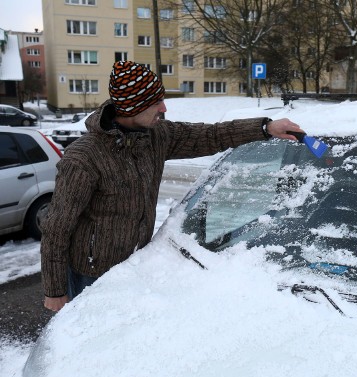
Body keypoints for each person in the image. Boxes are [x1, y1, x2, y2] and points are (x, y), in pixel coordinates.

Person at [41, 61, 304, 312]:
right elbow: (57, 227)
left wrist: (265, 127)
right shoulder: (84, 158)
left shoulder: (156, 136)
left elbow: (211, 135)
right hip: (92, 275)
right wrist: (55, 290)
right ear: (132, 107)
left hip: (135, 265)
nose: (164, 108)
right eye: (156, 102)